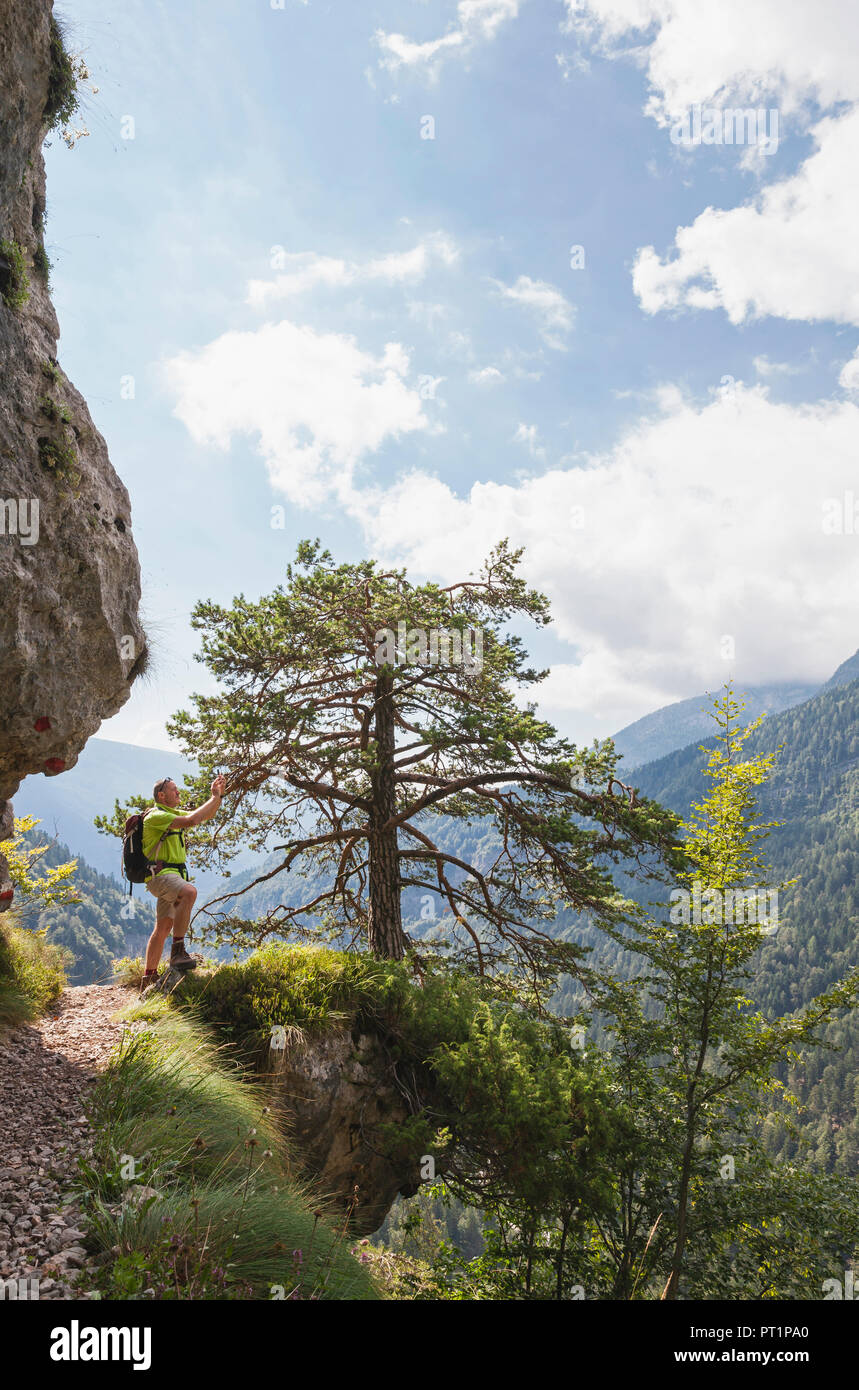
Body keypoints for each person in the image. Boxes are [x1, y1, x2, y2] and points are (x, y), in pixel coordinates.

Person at [139, 774, 226, 991]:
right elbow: (193, 820)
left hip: (173, 876)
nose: (178, 793)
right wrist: (213, 797)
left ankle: (148, 978)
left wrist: (216, 797)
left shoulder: (170, 813)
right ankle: (177, 952)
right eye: (173, 790)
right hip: (161, 876)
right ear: (161, 795)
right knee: (189, 893)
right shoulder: (155, 816)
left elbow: (205, 816)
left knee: (163, 927)